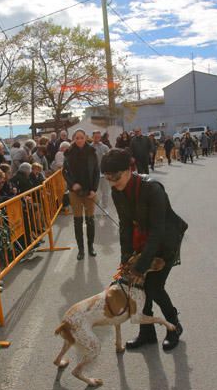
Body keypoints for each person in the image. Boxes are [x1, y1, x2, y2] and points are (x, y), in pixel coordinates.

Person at [101, 148, 188, 351]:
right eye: (108, 179)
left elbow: (158, 230)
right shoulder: (117, 191)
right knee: (138, 288)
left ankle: (174, 326)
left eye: (116, 178)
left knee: (154, 287)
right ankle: (147, 332)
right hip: (142, 240)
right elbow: (124, 225)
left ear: (128, 170)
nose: (113, 184)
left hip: (166, 240)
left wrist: (141, 265)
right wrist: (125, 258)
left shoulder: (152, 189)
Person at [63, 129, 100, 260]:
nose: (79, 140)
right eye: (77, 138)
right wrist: (72, 184)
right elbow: (65, 172)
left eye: (81, 137)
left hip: (90, 191)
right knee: (77, 221)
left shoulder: (92, 152)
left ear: (85, 138)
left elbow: (96, 172)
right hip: (75, 192)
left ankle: (90, 247)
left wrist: (94, 189)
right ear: (73, 139)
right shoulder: (68, 153)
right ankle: (81, 250)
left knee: (90, 220)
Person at [91, 130, 111, 207]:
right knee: (95, 191)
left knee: (105, 191)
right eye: (95, 137)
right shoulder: (89, 147)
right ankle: (97, 205)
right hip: (93, 174)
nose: (97, 138)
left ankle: (105, 206)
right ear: (92, 137)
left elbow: (109, 159)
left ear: (100, 137)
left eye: (98, 137)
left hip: (104, 173)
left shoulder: (105, 147)